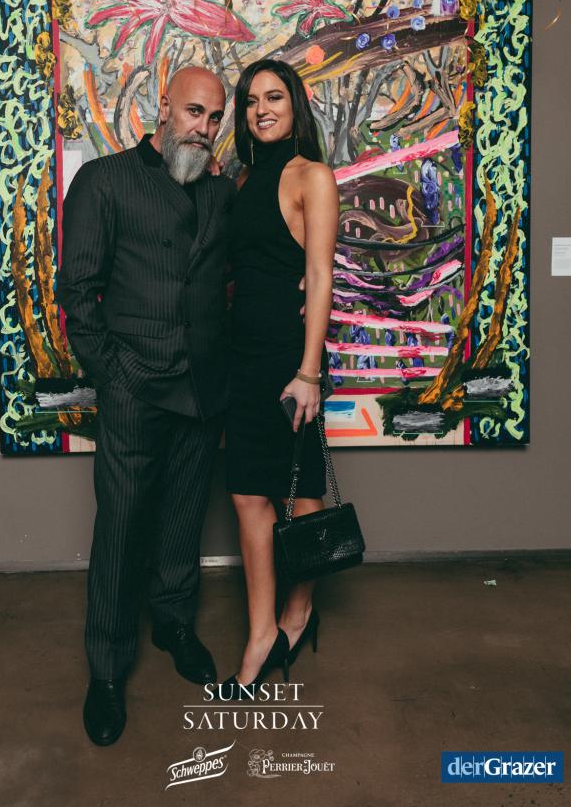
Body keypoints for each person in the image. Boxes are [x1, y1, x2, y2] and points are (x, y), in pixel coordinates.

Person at [57, 66, 234, 746]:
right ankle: (106, 670)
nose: (203, 127)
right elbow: (78, 293)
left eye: (214, 117)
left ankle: (175, 624)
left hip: (202, 387)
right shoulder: (105, 181)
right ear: (164, 107)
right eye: (193, 112)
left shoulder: (219, 191)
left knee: (184, 519)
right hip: (135, 387)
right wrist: (115, 377)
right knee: (122, 527)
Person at [223, 58, 339, 694]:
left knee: (300, 488)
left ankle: (297, 614)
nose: (260, 109)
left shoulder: (311, 175)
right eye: (250, 100)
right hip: (243, 355)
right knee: (248, 492)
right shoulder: (241, 179)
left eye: (273, 97)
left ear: (295, 105)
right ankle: (263, 629)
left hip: (288, 360)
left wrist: (308, 372)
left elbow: (318, 274)